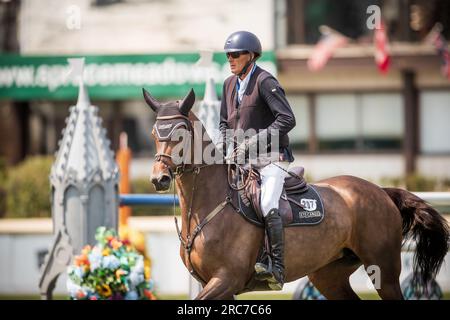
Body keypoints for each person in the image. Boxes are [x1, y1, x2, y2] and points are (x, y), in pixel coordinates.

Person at [218, 30, 296, 290]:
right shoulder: (229, 84)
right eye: (228, 55)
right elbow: (223, 123)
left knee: (266, 202)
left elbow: (287, 119)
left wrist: (253, 143)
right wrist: (223, 146)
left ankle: (277, 268)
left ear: (250, 56)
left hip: (273, 158)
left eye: (235, 55)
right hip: (243, 162)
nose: (230, 59)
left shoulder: (265, 81)